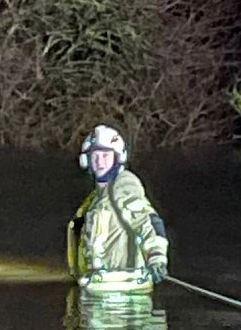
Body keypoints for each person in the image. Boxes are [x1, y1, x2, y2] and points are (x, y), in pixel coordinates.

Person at [67, 124, 169, 293]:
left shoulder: (123, 184)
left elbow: (148, 221)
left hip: (125, 287)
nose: (100, 161)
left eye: (106, 155)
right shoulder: (95, 198)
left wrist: (157, 258)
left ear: (118, 158)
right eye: (95, 156)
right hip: (98, 287)